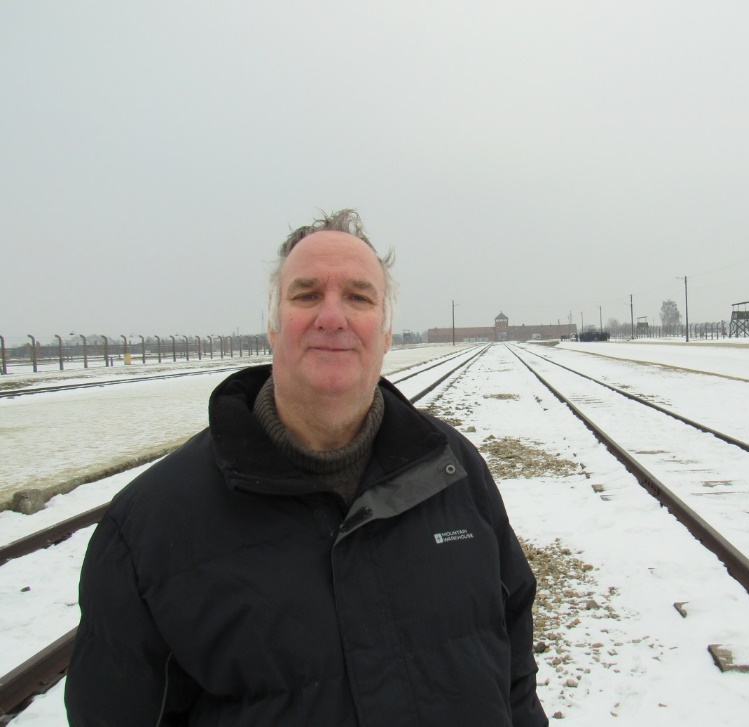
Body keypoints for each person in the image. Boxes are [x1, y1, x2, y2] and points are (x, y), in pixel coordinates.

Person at [65, 209, 547, 726]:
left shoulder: (455, 469)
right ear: (273, 327)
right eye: (307, 294)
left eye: (359, 297)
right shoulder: (148, 527)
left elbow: (513, 661)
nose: (333, 317)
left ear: (386, 334)